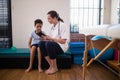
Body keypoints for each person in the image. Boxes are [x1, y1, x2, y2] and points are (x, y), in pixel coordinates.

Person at [38, 10, 69, 74]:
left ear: (55, 18)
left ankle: (54, 68)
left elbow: (63, 41)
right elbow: (51, 39)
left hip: (62, 47)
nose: (48, 20)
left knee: (49, 44)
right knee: (41, 43)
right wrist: (45, 38)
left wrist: (50, 38)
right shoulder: (52, 26)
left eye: (49, 18)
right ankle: (51, 66)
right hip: (53, 45)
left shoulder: (63, 25)